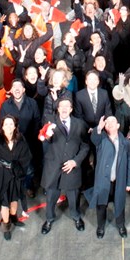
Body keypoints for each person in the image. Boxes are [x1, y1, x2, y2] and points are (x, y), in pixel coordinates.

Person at [40, 96, 89, 234]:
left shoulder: (79, 124)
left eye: (67, 106)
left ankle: (76, 216)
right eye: (62, 106)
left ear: (71, 109)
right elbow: (44, 140)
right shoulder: (50, 122)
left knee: (73, 197)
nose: (64, 109)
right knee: (51, 197)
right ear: (58, 108)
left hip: (71, 167)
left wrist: (75, 161)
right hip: (53, 166)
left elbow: (85, 146)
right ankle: (49, 219)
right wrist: (47, 136)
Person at [87, 115, 130, 239]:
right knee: (101, 205)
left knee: (120, 203)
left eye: (113, 121)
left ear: (118, 125)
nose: (110, 123)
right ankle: (100, 227)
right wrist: (98, 128)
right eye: (107, 122)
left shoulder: (126, 142)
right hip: (104, 180)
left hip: (118, 181)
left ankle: (121, 225)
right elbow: (94, 138)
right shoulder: (101, 139)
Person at [0, 115, 33, 240]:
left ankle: (14, 218)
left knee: (14, 200)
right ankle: (6, 225)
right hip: (2, 178)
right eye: (6, 124)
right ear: (1, 127)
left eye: (11, 124)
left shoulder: (20, 139)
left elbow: (26, 156)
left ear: (15, 126)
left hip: (16, 176)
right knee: (5, 204)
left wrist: (18, 166)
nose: (9, 127)